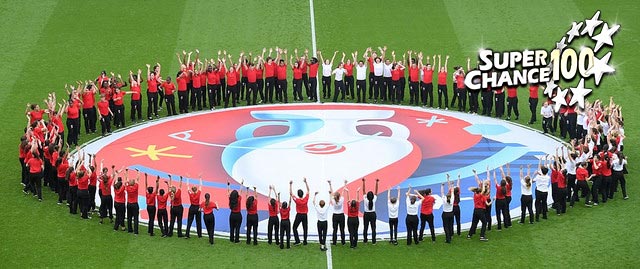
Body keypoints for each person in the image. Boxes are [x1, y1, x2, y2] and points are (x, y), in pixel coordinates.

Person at [290, 178, 310, 246]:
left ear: (298, 195)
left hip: (299, 215)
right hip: (304, 215)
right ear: (302, 194)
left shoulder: (297, 200)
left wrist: (290, 185)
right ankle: (305, 241)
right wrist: (305, 182)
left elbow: (291, 193)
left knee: (294, 227)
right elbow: (308, 190)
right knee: (305, 228)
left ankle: (297, 240)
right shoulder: (306, 199)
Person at [328, 180, 346, 245]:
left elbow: (332, 194)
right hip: (341, 215)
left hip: (335, 216)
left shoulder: (333, 201)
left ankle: (334, 242)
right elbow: (343, 191)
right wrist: (345, 184)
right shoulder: (341, 200)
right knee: (342, 229)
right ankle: (343, 242)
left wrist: (330, 184)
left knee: (335, 229)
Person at [533, 157, 551, 221]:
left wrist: (535, 174)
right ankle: (544, 215)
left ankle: (537, 217)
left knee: (537, 203)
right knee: (544, 203)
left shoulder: (538, 177)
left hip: (539, 191)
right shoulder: (548, 177)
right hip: (545, 191)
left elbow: (532, 181)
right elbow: (542, 170)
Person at [125, 169, 140, 234]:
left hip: (129, 204)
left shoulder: (127, 187)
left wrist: (126, 172)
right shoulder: (136, 187)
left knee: (129, 217)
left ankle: (129, 230)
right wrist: (138, 172)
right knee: (136, 218)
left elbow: (126, 179)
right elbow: (137, 179)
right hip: (134, 204)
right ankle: (136, 231)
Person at [442, 175, 455, 243]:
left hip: (445, 214)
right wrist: (452, 184)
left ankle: (448, 239)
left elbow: (442, 193)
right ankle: (450, 236)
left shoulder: (444, 200)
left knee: (446, 226)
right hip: (451, 213)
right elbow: (452, 191)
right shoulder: (452, 200)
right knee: (450, 225)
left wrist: (442, 186)